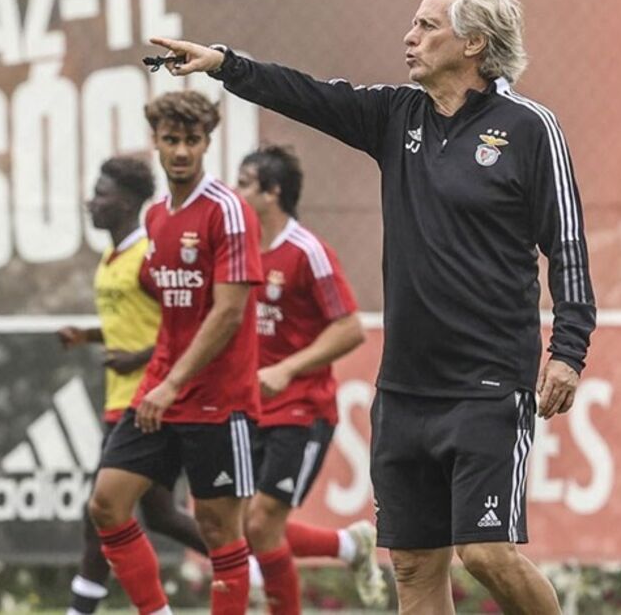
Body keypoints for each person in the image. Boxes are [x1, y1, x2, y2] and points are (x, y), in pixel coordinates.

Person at [151, 0, 595, 614]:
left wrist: (569, 350)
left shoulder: (529, 128)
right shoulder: (395, 115)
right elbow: (307, 95)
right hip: (405, 388)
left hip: (488, 384)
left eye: (426, 26)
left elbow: (569, 244)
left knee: (485, 553)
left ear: (473, 43)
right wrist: (225, 64)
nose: (409, 36)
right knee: (413, 566)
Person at [86, 90, 264, 615]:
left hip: (219, 398)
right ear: (156, 143)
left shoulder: (228, 211)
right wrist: (158, 379)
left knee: (218, 528)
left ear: (207, 143)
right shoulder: (157, 219)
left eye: (192, 140)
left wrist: (170, 383)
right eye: (171, 140)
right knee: (107, 504)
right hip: (162, 390)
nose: (181, 151)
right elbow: (169, 311)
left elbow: (228, 314)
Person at [234, 144, 388, 612]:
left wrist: (287, 368)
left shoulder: (307, 251)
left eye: (245, 184)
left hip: (301, 409)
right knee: (244, 524)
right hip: (250, 407)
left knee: (262, 524)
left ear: (272, 192)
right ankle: (349, 545)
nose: (236, 192)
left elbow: (349, 328)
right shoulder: (240, 251)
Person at [57, 157, 210, 615]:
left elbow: (184, 325)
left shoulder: (148, 256)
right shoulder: (113, 256)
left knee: (101, 511)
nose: (91, 202)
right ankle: (249, 562)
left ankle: (82, 609)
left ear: (125, 203)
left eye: (100, 194)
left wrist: (137, 359)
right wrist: (88, 336)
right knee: (157, 514)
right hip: (121, 400)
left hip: (147, 402)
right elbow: (136, 324)